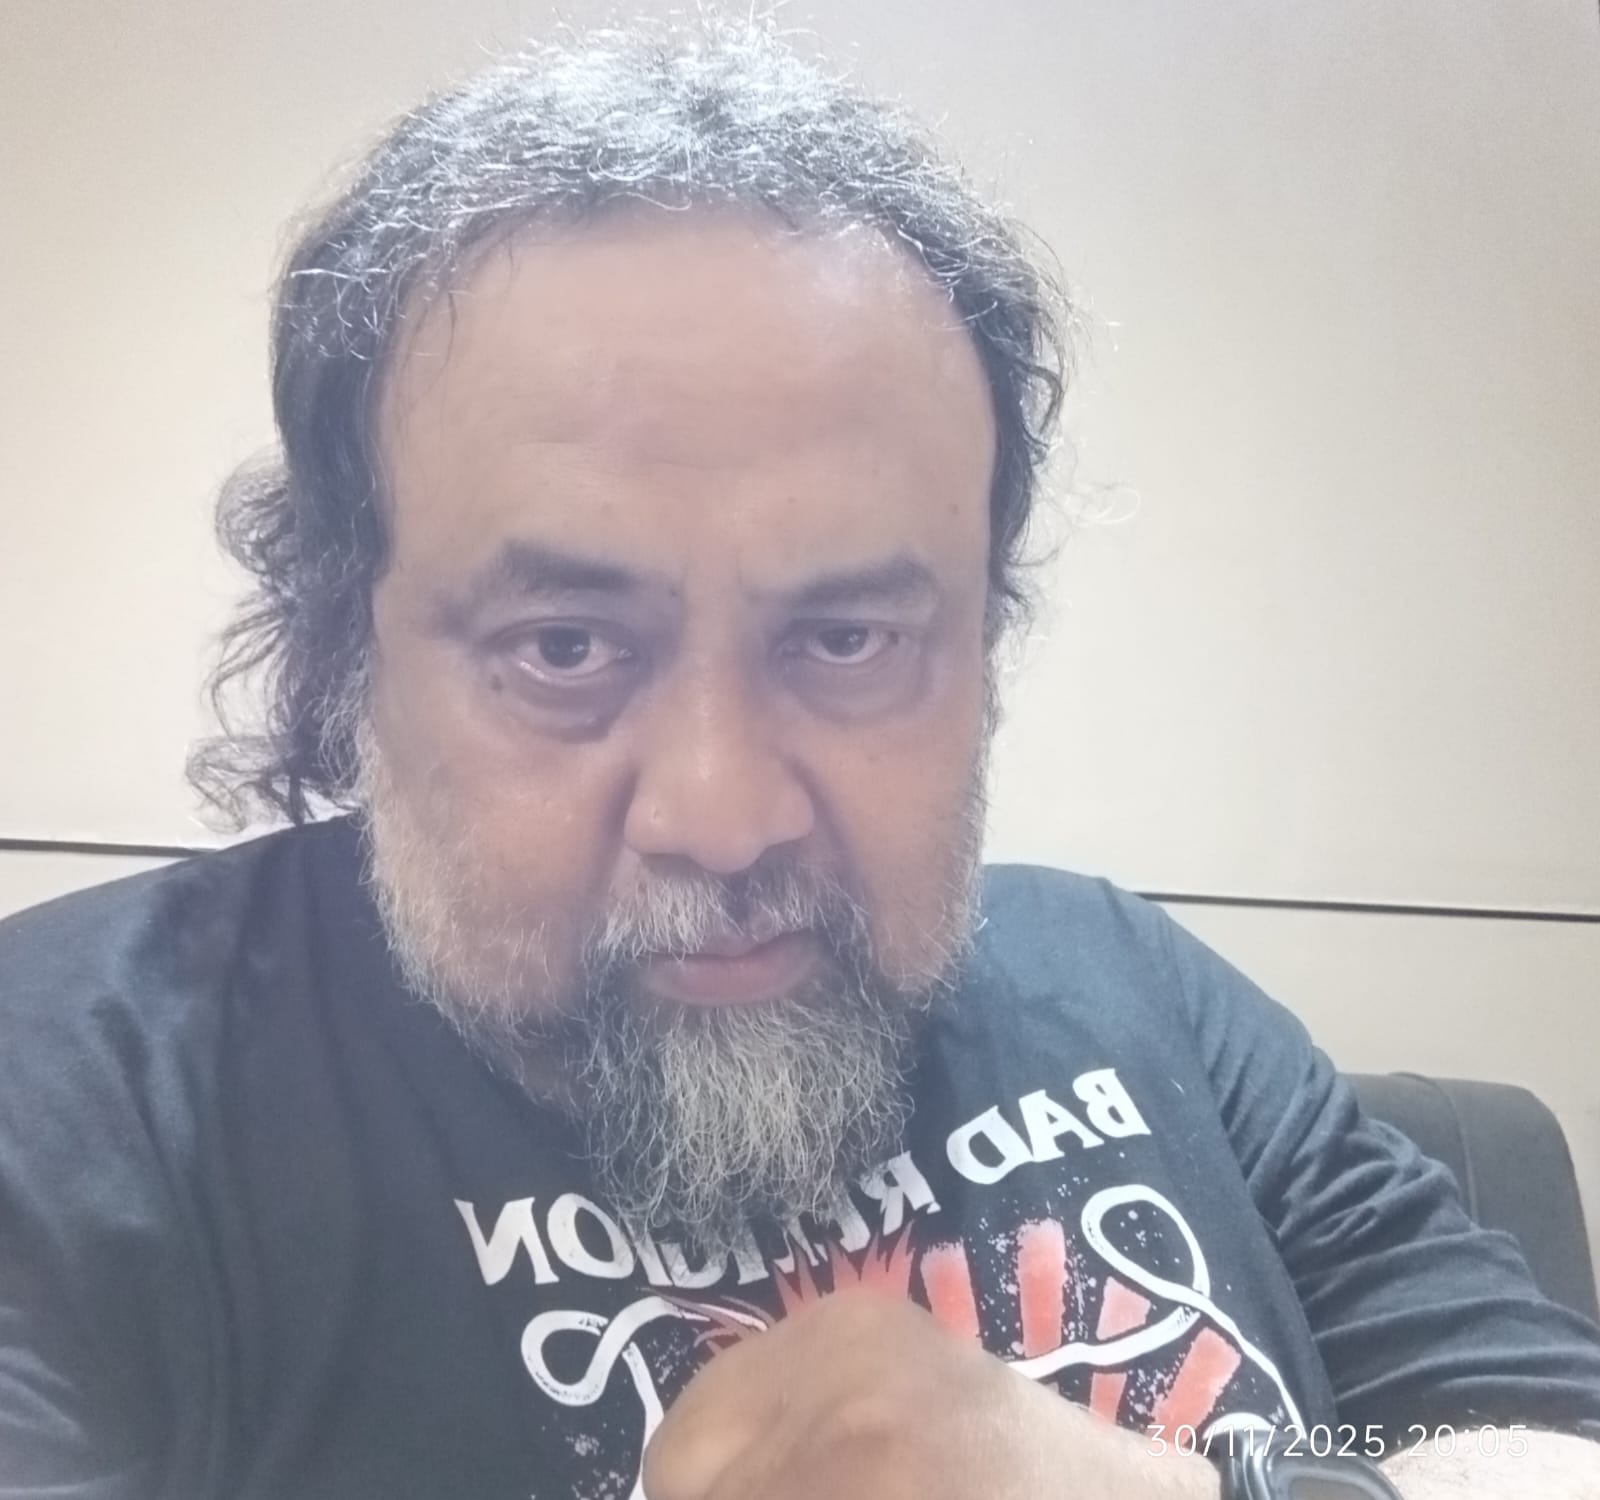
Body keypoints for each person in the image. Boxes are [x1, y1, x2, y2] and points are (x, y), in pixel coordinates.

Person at [2, 20, 1597, 1500]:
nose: (725, 813)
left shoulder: (1128, 981)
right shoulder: (75, 1103)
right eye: (566, 646)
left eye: (847, 639)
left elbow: (1536, 1436)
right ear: (347, 644)